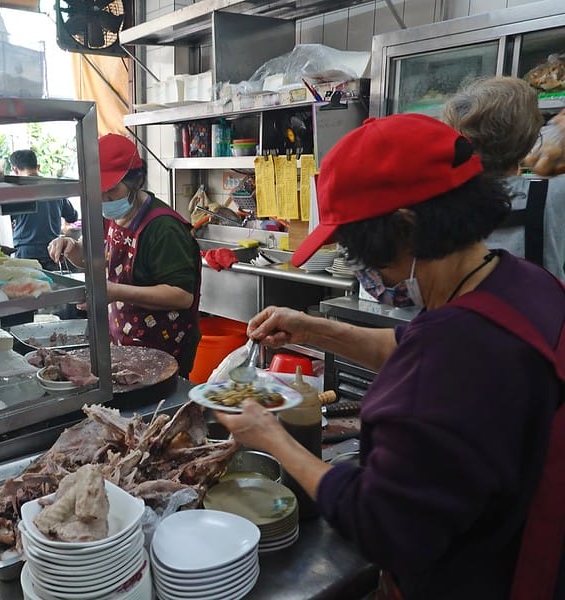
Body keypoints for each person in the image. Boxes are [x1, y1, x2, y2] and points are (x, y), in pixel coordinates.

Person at [214, 114, 565, 599]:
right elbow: (407, 347)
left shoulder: (455, 353)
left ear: (405, 229)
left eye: (364, 253)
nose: (368, 270)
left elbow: (380, 526)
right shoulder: (519, 282)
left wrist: (272, 438)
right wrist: (314, 328)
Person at [48, 133, 202, 377]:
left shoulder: (163, 228)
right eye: (97, 191)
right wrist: (71, 248)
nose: (104, 198)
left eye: (111, 190)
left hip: (165, 346)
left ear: (136, 180)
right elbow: (94, 262)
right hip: (124, 339)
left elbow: (182, 296)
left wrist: (114, 291)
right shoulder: (108, 217)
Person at [442, 75, 565, 281]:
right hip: (537, 310)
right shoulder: (555, 194)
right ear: (531, 138)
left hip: (463, 310)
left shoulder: (440, 201)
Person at [9, 149, 78, 270]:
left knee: (27, 286)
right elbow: (72, 216)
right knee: (54, 286)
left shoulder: (16, 191)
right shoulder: (54, 187)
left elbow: (7, 220)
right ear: (38, 166)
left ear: (14, 169)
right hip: (52, 249)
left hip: (26, 251)